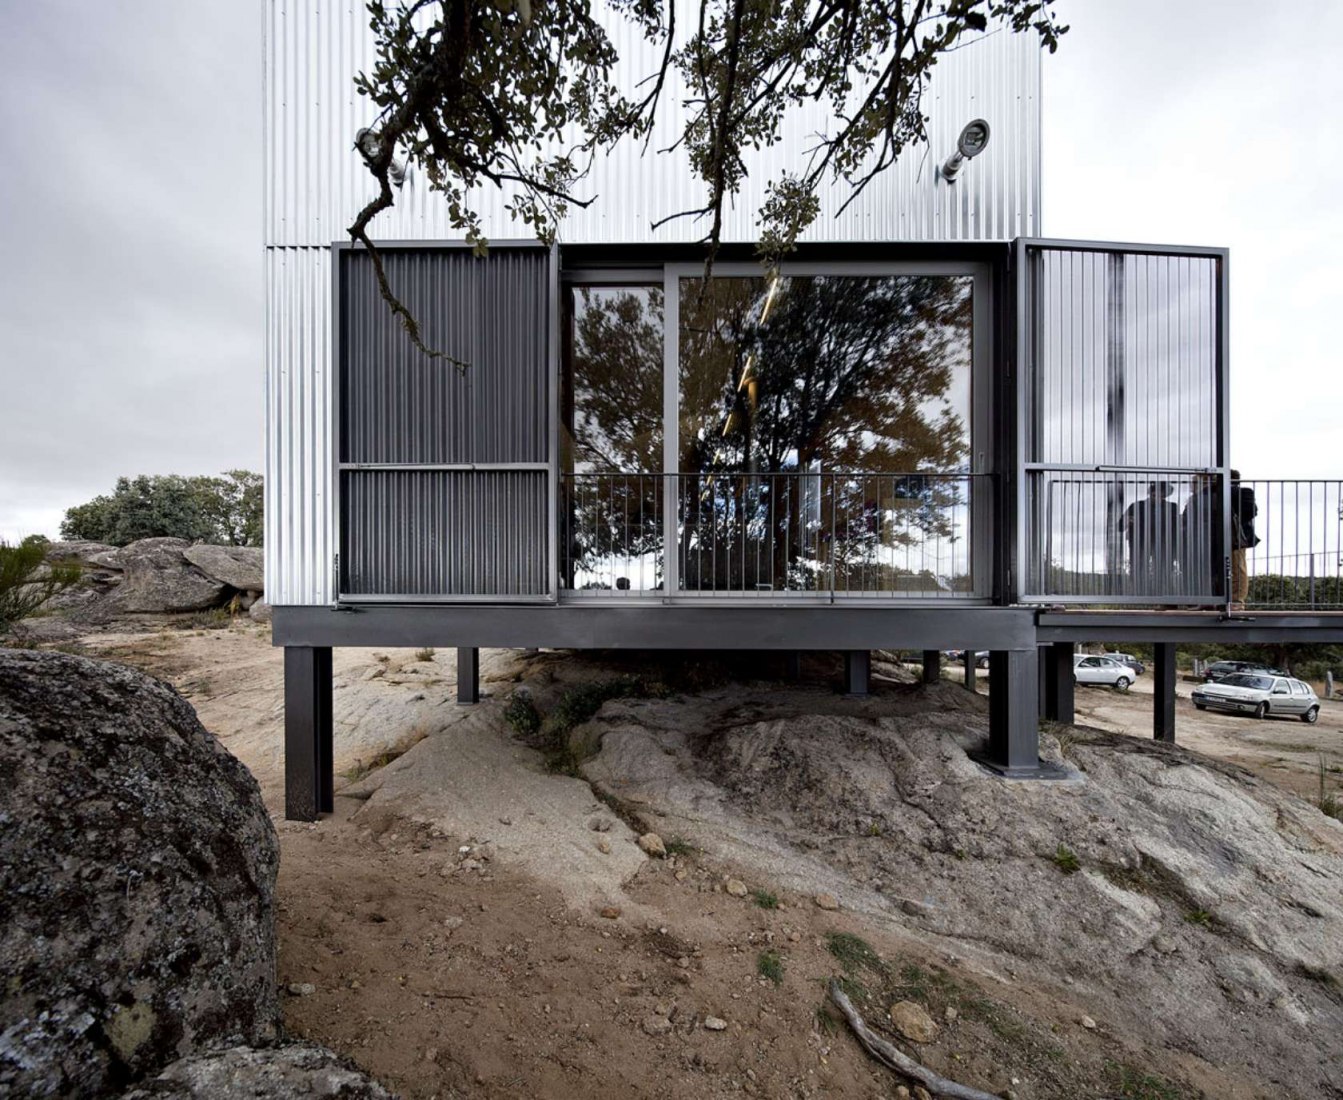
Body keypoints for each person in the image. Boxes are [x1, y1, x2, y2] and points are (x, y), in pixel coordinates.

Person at [1121, 481, 1179, 595]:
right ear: (1151, 493)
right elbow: (1120, 525)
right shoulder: (1137, 506)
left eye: (1161, 494)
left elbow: (1175, 529)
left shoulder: (1172, 507)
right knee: (1138, 572)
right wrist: (1128, 521)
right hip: (1140, 545)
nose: (1158, 496)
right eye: (1155, 493)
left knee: (1164, 573)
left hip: (1163, 546)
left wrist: (1175, 550)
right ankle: (1140, 599)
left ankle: (1166, 600)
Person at [1180, 473, 1217, 599]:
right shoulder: (1201, 498)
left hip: (1201, 539)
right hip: (1204, 538)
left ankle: (1202, 599)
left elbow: (1192, 519)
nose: (1191, 486)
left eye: (1193, 482)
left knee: (1201, 570)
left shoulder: (1202, 498)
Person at [1230, 469, 1259, 610]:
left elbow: (1251, 511)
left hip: (1236, 535)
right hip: (1222, 535)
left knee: (1238, 566)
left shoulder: (1242, 492)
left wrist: (1232, 522)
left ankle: (1238, 600)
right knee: (1234, 566)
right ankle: (1232, 599)